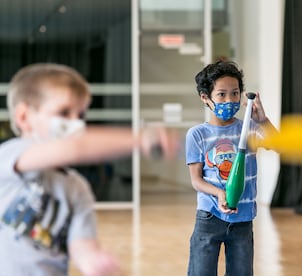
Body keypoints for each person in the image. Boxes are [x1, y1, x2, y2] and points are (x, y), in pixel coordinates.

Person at [0, 63, 180, 276]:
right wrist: (140, 139)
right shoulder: (10, 156)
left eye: (81, 115)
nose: (76, 123)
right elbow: (73, 148)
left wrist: (92, 260)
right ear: (24, 118)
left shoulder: (77, 187)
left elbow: (81, 243)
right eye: (64, 112)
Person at [186, 60, 279, 276]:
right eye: (221, 94)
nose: (230, 100)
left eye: (235, 93)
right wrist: (219, 193)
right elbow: (196, 180)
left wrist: (263, 121)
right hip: (210, 217)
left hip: (243, 219)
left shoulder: (250, 129)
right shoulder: (197, 135)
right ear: (205, 97)